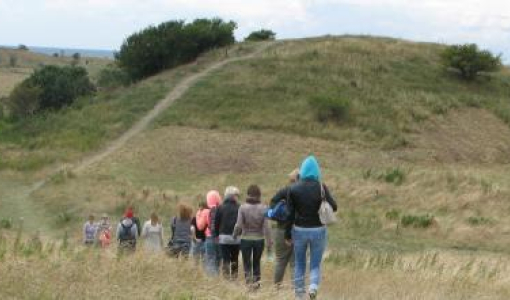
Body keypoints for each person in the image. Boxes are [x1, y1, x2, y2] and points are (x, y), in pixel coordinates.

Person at [286, 155, 337, 300]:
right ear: (317, 171)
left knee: (299, 264)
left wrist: (287, 235)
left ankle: (299, 295)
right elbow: (334, 206)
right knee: (315, 264)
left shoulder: (293, 188)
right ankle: (313, 287)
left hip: (299, 230)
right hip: (318, 230)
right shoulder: (321, 187)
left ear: (302, 170)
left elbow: (289, 214)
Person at [234, 185, 273, 289]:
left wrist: (234, 235)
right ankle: (257, 285)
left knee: (247, 263)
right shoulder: (264, 208)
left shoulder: (242, 207)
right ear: (259, 195)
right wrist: (269, 243)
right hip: (259, 240)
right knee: (256, 263)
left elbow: (238, 225)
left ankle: (249, 285)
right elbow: (267, 228)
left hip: (245, 239)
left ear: (248, 194)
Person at [270, 169, 299, 288]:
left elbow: (271, 206)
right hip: (297, 230)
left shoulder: (283, 191)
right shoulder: (302, 192)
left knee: (280, 261)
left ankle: (276, 288)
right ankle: (296, 290)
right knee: (295, 263)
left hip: (280, 229)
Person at [214, 186, 241, 280]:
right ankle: (234, 279)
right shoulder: (239, 207)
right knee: (235, 259)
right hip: (236, 238)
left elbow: (216, 223)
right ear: (234, 196)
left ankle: (226, 280)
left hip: (223, 238)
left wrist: (216, 235)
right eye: (237, 195)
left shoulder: (220, 207)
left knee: (225, 259)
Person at [197, 190, 222, 276]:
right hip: (220, 238)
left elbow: (200, 227)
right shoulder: (222, 209)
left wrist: (198, 214)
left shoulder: (206, 211)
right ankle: (218, 277)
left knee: (211, 259)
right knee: (218, 259)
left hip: (210, 237)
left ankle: (212, 280)